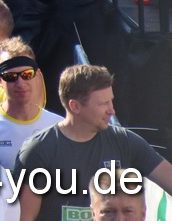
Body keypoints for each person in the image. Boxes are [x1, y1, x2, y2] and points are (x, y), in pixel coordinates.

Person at [14, 65, 172, 221]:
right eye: (103, 103)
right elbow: (24, 217)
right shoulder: (39, 150)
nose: (112, 110)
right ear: (75, 106)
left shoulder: (125, 142)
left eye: (111, 101)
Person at [0, 43, 61, 166]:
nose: (20, 83)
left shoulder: (58, 127)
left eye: (27, 74)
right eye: (10, 76)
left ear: (37, 75)